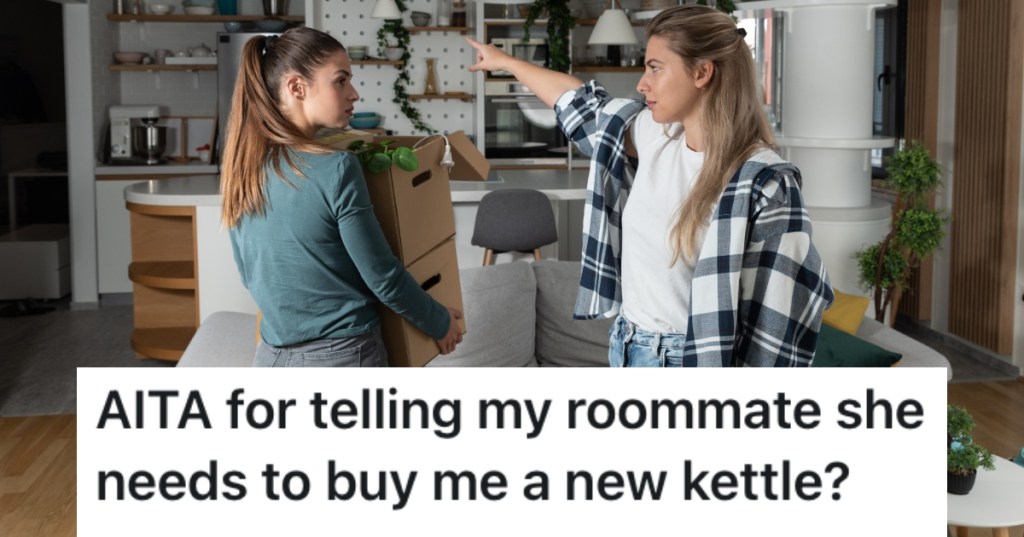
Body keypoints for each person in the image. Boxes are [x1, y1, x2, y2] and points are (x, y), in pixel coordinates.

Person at [467, 4, 833, 367]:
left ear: (702, 72)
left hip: (688, 361)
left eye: (655, 68)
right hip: (626, 344)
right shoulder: (655, 135)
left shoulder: (765, 183)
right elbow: (577, 103)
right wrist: (506, 62)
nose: (642, 84)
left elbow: (777, 325)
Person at [220, 27, 463, 367]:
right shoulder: (336, 167)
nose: (354, 94)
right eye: (341, 81)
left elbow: (251, 275)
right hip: (342, 357)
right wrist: (438, 321)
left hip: (271, 358)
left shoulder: (241, 167)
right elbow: (382, 276)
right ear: (296, 87)